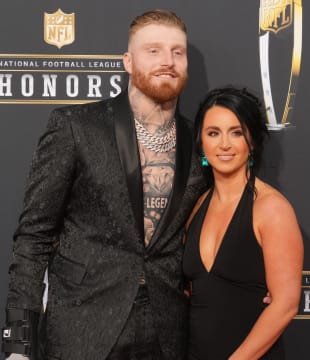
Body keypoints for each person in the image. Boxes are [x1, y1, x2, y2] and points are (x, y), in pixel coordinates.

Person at [2, 9, 207, 360]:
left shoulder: (199, 139)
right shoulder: (76, 126)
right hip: (82, 324)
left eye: (177, 51)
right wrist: (18, 343)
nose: (167, 61)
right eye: (153, 50)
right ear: (128, 61)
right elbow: (34, 236)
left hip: (167, 331)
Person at [183, 86, 304, 359]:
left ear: (251, 141)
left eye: (236, 132)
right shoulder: (197, 206)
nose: (224, 144)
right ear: (201, 142)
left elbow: (285, 304)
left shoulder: (271, 209)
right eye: (213, 133)